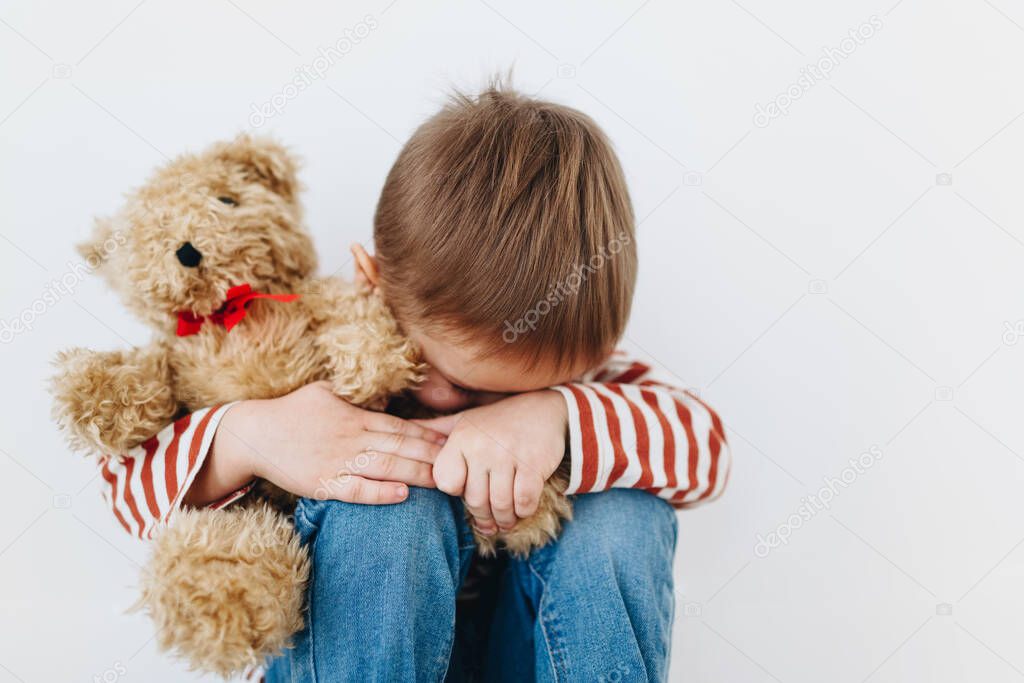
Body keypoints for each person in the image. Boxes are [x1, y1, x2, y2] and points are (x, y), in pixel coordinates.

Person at [98, 83, 729, 681]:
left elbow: (708, 450)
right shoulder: (315, 353)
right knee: (391, 507)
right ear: (373, 283)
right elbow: (126, 490)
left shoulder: (576, 376)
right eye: (457, 383)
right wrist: (249, 437)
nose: (482, 412)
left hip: (525, 652)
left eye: (517, 393)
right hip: (358, 657)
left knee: (624, 515)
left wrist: (553, 415)